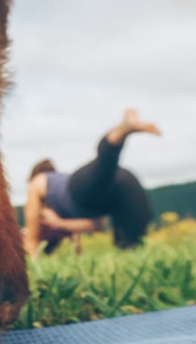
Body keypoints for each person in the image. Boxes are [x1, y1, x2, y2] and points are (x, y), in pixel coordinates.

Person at [22, 109, 160, 259]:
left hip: (84, 190)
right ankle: (121, 133)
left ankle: (122, 131)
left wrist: (53, 226)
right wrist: (60, 224)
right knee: (130, 247)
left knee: (102, 168)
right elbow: (98, 225)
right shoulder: (56, 216)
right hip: (121, 189)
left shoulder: (39, 183)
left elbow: (32, 241)